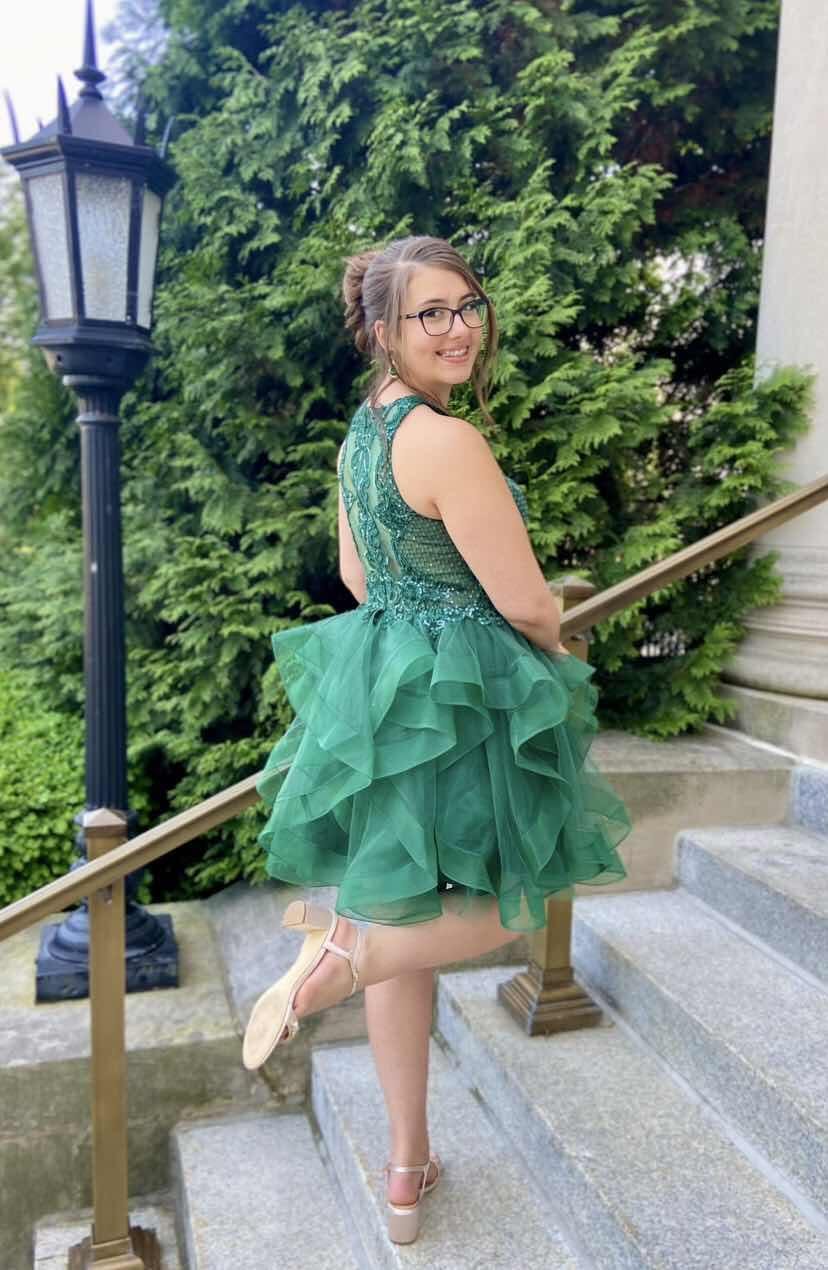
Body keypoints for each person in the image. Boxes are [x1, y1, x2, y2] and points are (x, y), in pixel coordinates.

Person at [242, 235, 631, 1243]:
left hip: (385, 689)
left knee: (399, 909)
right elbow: (528, 603)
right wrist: (547, 645)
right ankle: (346, 958)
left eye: (468, 306)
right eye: (431, 313)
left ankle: (405, 1171)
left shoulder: (361, 434)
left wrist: (418, 611)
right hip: (461, 697)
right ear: (384, 330)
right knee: (517, 902)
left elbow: (358, 576)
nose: (459, 329)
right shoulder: (448, 441)